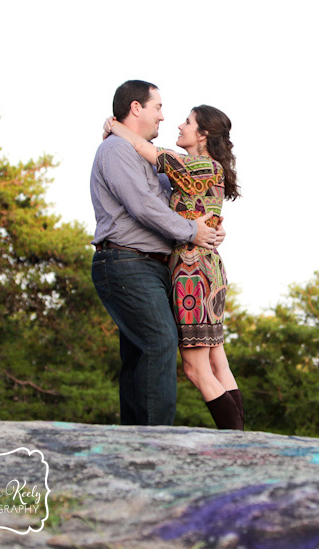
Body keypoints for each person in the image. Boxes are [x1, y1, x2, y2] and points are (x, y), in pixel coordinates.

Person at [103, 104, 244, 430]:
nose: (179, 125)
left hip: (192, 274)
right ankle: (243, 441)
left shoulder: (195, 165)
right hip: (211, 271)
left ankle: (237, 445)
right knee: (217, 361)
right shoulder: (212, 169)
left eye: (188, 122)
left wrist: (114, 125)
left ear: (203, 134)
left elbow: (143, 148)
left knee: (197, 369)